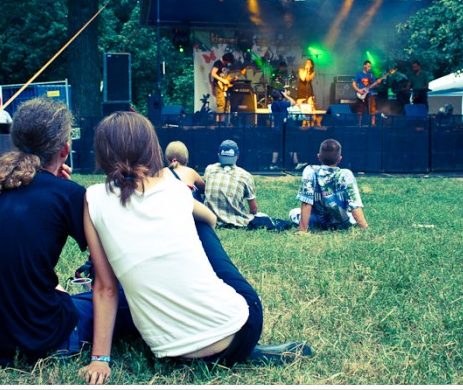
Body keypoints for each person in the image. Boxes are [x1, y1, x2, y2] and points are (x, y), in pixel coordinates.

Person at [78, 113, 310, 384]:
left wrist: (100, 359)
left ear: (103, 152)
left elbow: (105, 288)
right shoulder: (173, 187)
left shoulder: (93, 199)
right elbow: (211, 219)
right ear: (150, 146)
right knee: (200, 223)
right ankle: (240, 346)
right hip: (240, 330)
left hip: (171, 353)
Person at [0, 98, 97, 367]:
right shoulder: (67, 194)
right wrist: (65, 190)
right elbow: (105, 262)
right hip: (37, 339)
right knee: (121, 299)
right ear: (65, 148)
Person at [204, 140, 291, 230]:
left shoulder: (209, 169)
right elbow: (253, 209)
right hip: (236, 221)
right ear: (237, 156)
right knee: (270, 221)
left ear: (218, 155)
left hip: (208, 219)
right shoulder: (245, 175)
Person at [289, 139, 368, 232]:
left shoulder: (310, 171)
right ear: (339, 159)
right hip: (341, 222)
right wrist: (365, 228)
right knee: (350, 216)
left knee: (293, 213)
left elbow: (306, 201)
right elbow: (354, 203)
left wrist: (302, 230)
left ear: (319, 157)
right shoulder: (346, 174)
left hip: (317, 220)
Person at [267, 89, 304, 171]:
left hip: (277, 128)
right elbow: (293, 102)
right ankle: (296, 163)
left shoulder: (273, 104)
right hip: (284, 127)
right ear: (280, 96)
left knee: (276, 146)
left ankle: (273, 164)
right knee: (290, 145)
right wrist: (286, 96)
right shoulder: (282, 103)